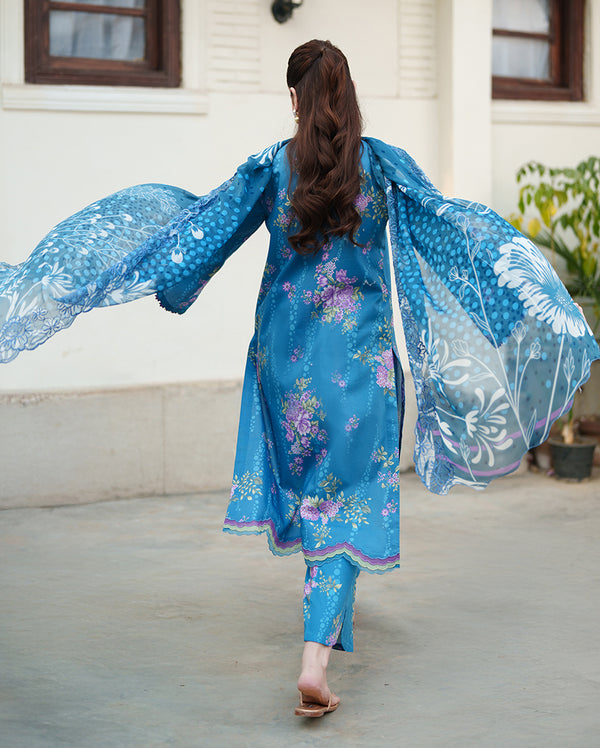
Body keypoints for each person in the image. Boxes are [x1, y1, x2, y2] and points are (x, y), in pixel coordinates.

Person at [1, 40, 598, 719]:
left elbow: (201, 237)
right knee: (346, 498)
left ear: (294, 99)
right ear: (348, 97)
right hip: (361, 369)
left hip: (287, 368)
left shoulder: (272, 168)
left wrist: (139, 275)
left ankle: (330, 624)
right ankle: (314, 662)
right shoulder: (383, 168)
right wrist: (521, 314)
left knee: (320, 494)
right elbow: (451, 234)